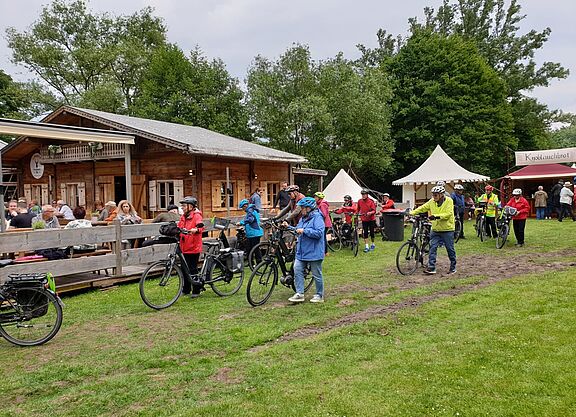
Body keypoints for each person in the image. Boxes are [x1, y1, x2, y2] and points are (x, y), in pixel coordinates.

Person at [286, 197, 325, 303]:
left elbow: (319, 233)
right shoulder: (303, 218)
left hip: (314, 252)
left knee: (316, 274)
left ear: (309, 208)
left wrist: (304, 230)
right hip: (302, 251)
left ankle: (319, 295)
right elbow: (297, 230)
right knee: (297, 270)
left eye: (302, 207)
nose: (301, 210)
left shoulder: (317, 217)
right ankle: (299, 293)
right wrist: (288, 227)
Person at [410, 185, 456, 275]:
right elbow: (423, 207)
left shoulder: (449, 201)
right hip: (435, 229)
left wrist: (436, 216)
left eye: (435, 195)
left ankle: (453, 267)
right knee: (432, 247)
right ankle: (431, 267)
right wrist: (411, 213)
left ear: (441, 195)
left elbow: (448, 214)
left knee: (450, 249)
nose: (433, 197)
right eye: (433, 195)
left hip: (447, 229)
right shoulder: (432, 201)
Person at [178, 196, 205, 297]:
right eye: (182, 206)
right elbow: (180, 226)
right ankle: (186, 289)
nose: (182, 208)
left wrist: (196, 229)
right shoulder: (183, 216)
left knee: (192, 269)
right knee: (184, 268)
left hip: (193, 247)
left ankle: (196, 289)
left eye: (184, 206)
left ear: (191, 206)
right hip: (184, 246)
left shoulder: (196, 215)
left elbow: (201, 226)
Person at [238, 198, 263, 264]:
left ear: (245, 206)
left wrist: (242, 223)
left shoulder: (250, 210)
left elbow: (251, 220)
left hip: (255, 233)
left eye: (242, 208)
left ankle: (259, 262)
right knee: (250, 248)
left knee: (255, 248)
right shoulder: (250, 210)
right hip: (252, 233)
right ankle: (251, 262)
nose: (243, 209)